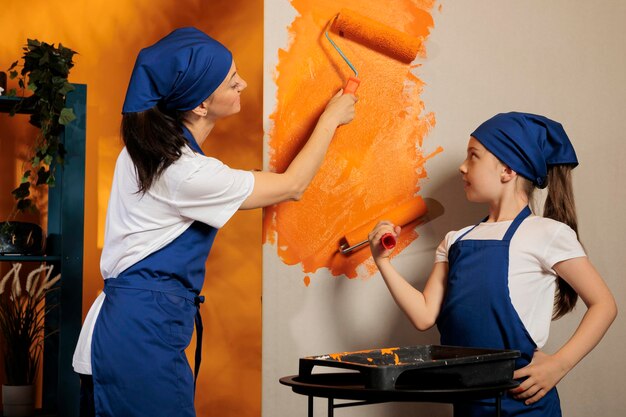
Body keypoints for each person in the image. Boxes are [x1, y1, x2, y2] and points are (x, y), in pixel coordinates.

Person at [72, 27, 356, 417]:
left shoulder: (147, 151)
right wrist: (332, 118)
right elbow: (293, 186)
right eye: (230, 81)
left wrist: (251, 181)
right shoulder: (185, 172)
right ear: (201, 106)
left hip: (124, 332)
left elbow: (203, 189)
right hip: (138, 340)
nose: (242, 83)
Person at [368, 112, 617, 416]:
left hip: (525, 404)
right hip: (468, 404)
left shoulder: (547, 234)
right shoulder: (455, 240)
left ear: (507, 170)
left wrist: (558, 365)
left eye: (473, 156)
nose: (462, 166)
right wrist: (383, 262)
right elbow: (423, 316)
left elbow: (604, 304)